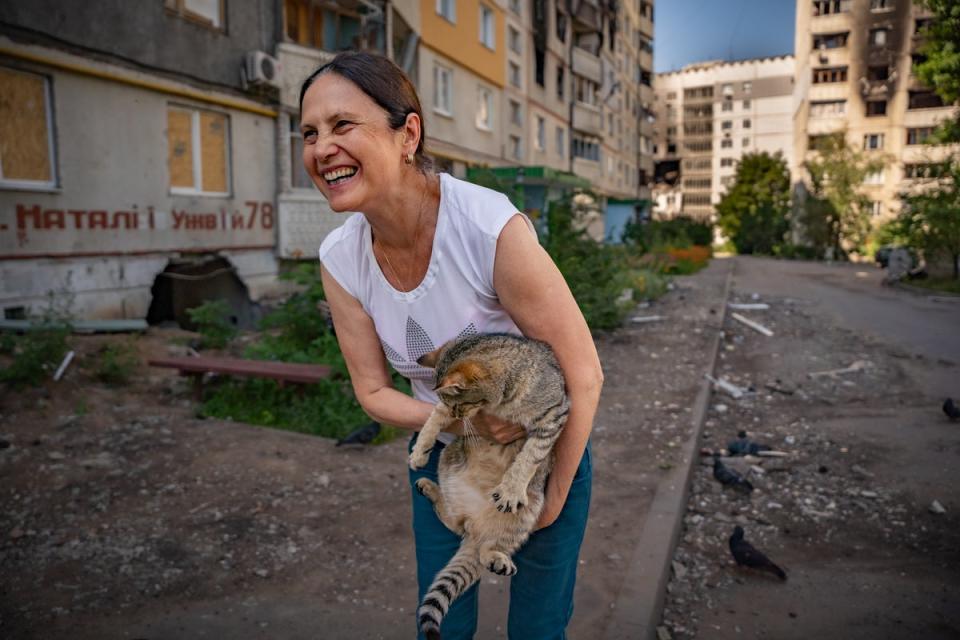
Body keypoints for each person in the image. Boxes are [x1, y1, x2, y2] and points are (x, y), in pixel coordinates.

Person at [300, 51, 603, 639]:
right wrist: (465, 426)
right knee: (440, 623)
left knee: (538, 629)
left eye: (342, 126)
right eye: (309, 133)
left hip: (541, 455)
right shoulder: (341, 258)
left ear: (407, 132)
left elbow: (584, 372)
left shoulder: (486, 227)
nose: (321, 148)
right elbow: (371, 392)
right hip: (452, 456)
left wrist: (557, 492)